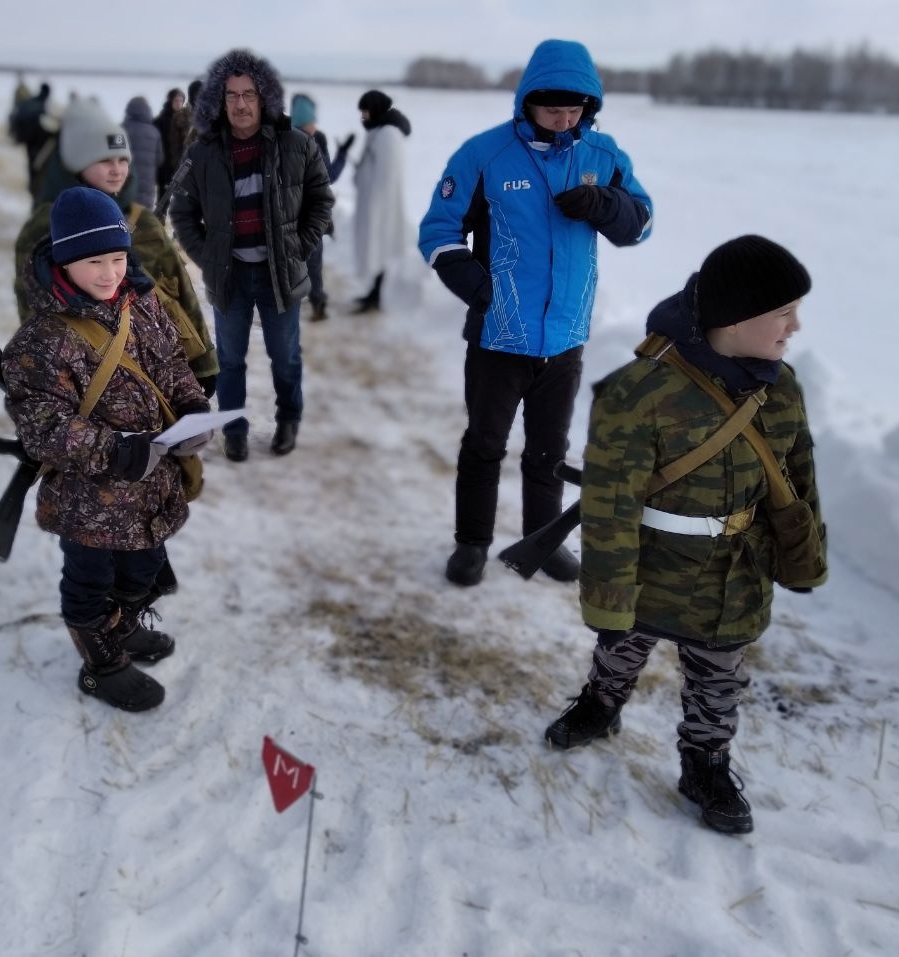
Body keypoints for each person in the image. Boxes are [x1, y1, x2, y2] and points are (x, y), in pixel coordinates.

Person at [544, 235, 825, 836]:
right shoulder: (638, 392)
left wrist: (804, 560)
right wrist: (608, 600)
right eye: (783, 312)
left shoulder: (782, 390)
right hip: (651, 563)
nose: (795, 326)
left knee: (720, 675)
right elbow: (611, 505)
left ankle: (707, 763)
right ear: (735, 317)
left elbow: (798, 482)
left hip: (735, 572)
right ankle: (601, 705)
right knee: (620, 647)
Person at [419, 38, 653, 587]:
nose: (564, 118)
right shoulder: (485, 154)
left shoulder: (604, 156)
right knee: (485, 445)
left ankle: (542, 542)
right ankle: (472, 543)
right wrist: (479, 290)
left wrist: (608, 204)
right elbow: (438, 230)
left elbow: (641, 224)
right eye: (553, 108)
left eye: (576, 109)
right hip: (498, 336)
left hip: (565, 337)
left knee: (549, 452)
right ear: (527, 100)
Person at [1, 187, 211, 712]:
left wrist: (193, 411)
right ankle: (101, 664)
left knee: (144, 569)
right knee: (91, 581)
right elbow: (43, 426)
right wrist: (115, 450)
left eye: (117, 258)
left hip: (151, 484)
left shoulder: (142, 304)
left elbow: (175, 368)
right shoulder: (40, 341)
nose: (109, 273)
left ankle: (123, 625)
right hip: (88, 500)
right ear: (65, 260)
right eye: (94, 261)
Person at [169, 49, 334, 462]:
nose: (240, 104)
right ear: (219, 102)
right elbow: (181, 210)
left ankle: (289, 420)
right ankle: (235, 428)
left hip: (280, 273)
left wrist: (298, 245)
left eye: (249, 95)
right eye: (231, 96)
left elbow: (321, 200)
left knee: (285, 357)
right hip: (229, 275)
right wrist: (207, 256)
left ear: (265, 99)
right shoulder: (202, 153)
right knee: (229, 361)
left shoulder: (297, 145)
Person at [13, 95, 218, 390]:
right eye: (104, 160)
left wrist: (204, 364)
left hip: (165, 369)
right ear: (75, 164)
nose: (117, 169)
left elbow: (182, 292)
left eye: (123, 160)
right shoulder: (46, 227)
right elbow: (32, 310)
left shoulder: (142, 219)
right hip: (90, 377)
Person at [290, 92, 354, 322]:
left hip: (295, 212)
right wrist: (343, 154)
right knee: (310, 260)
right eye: (311, 122)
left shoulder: (283, 138)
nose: (314, 126)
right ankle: (315, 301)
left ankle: (308, 301)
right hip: (309, 213)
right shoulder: (315, 140)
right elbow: (330, 175)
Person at [351, 89, 410, 314]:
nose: (362, 116)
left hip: (381, 207)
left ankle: (376, 297)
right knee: (374, 251)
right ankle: (372, 294)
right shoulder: (378, 131)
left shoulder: (388, 135)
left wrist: (376, 206)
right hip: (372, 204)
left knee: (379, 249)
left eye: (365, 111)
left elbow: (387, 174)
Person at [121, 96, 162, 209]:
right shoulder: (154, 132)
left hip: (126, 183)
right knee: (143, 221)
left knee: (124, 221)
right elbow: (159, 159)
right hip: (147, 188)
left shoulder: (122, 129)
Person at [153, 87, 185, 199]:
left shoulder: (186, 119)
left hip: (180, 161)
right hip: (164, 161)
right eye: (176, 100)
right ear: (170, 101)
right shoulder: (161, 120)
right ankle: (160, 214)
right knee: (163, 193)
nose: (179, 104)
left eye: (181, 101)